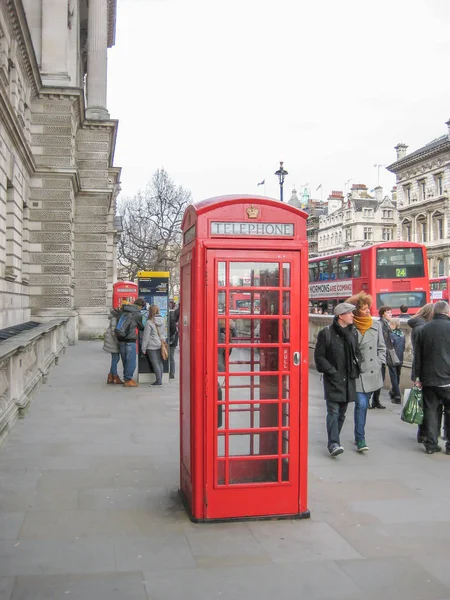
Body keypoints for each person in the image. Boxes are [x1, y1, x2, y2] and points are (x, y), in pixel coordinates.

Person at [314, 302, 362, 457]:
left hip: (348, 379)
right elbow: (319, 357)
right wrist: (332, 372)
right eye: (350, 313)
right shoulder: (326, 333)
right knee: (333, 411)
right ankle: (333, 443)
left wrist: (357, 364)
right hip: (334, 379)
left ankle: (335, 439)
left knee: (342, 413)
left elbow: (357, 352)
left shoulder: (353, 333)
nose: (353, 315)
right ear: (341, 316)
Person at [347, 293, 386, 451]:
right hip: (357, 373)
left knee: (363, 405)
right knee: (362, 405)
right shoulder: (350, 328)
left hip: (372, 372)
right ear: (356, 312)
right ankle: (360, 438)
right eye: (364, 309)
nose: (368, 311)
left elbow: (382, 347)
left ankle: (359, 435)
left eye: (368, 308)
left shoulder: (376, 326)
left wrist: (379, 361)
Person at [414, 301, 450, 454]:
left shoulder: (424, 329)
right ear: (447, 312)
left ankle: (431, 444)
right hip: (448, 379)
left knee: (431, 411)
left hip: (428, 378)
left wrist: (417, 377)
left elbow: (418, 356)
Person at [408, 302, 435, 444]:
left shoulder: (416, 326)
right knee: (426, 404)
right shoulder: (422, 328)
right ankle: (424, 433)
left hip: (419, 369)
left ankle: (423, 432)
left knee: (423, 402)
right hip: (424, 370)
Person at [117, 298, 146, 387]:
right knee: (131, 360)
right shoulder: (137, 313)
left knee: (125, 360)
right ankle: (128, 379)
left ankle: (126, 378)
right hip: (130, 339)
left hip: (121, 338)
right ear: (140, 306)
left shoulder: (123, 309)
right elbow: (141, 327)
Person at [371, 306, 395, 406]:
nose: (391, 314)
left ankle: (376, 400)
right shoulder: (380, 324)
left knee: (381, 378)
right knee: (377, 378)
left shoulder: (387, 324)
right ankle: (372, 400)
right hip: (380, 354)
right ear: (383, 313)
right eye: (389, 312)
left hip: (385, 354)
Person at [141, 304, 166, 386]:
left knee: (155, 363)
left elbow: (146, 337)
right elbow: (163, 333)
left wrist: (143, 348)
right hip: (160, 344)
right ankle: (160, 380)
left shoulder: (149, 322)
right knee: (159, 363)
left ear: (150, 312)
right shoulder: (163, 320)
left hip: (151, 345)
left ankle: (158, 381)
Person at [103, 307, 123, 384]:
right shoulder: (115, 318)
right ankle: (115, 376)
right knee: (115, 359)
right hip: (112, 341)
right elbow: (113, 332)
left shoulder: (114, 317)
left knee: (115, 359)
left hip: (111, 340)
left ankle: (110, 377)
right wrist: (117, 342)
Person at [388, 318, 405, 402]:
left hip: (392, 358)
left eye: (390, 324)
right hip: (400, 358)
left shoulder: (391, 335)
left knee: (393, 377)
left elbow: (389, 347)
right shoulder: (402, 334)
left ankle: (397, 395)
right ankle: (394, 392)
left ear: (393, 325)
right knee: (397, 376)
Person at [168, 303, 180, 380]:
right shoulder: (174, 313)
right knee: (171, 357)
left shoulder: (171, 316)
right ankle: (171, 373)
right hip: (173, 339)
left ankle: (171, 373)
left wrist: (169, 337)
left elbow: (173, 329)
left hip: (171, 340)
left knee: (171, 357)